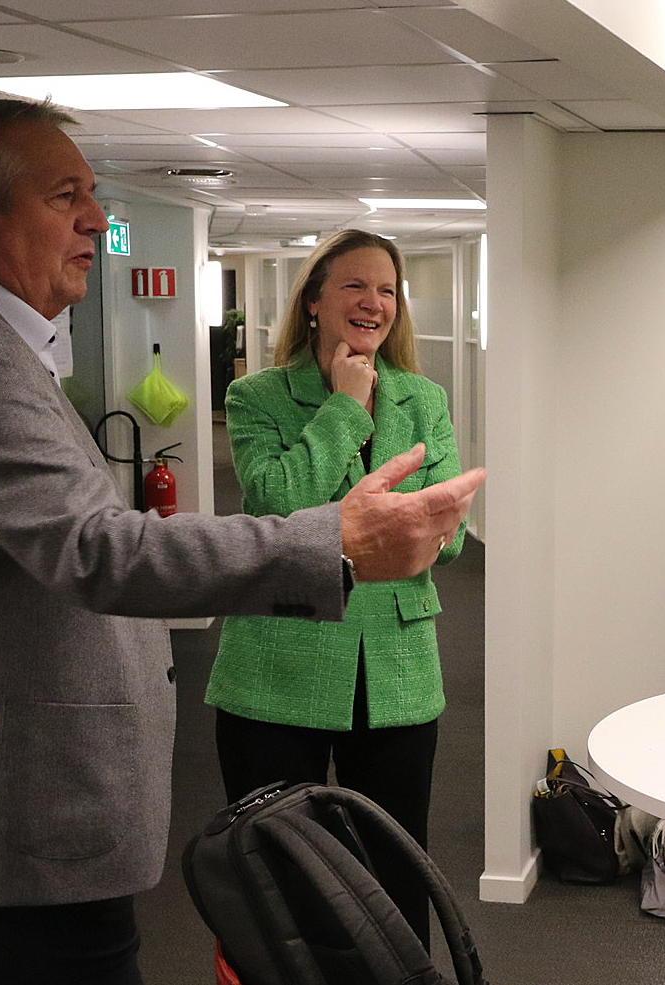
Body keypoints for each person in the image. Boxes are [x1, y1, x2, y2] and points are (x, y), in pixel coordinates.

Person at [0, 97, 485, 985]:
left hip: (5, 783)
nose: (97, 219)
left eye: (91, 194)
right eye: (67, 196)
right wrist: (336, 531)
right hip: (8, 795)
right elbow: (97, 548)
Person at [204, 230, 464, 947]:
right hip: (277, 661)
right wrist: (346, 408)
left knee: (394, 871)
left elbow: (453, 531)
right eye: (355, 285)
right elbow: (273, 507)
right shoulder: (256, 396)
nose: (373, 302)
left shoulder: (422, 399)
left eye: (386, 289)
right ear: (315, 301)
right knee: (277, 871)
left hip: (396, 666)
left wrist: (423, 531)